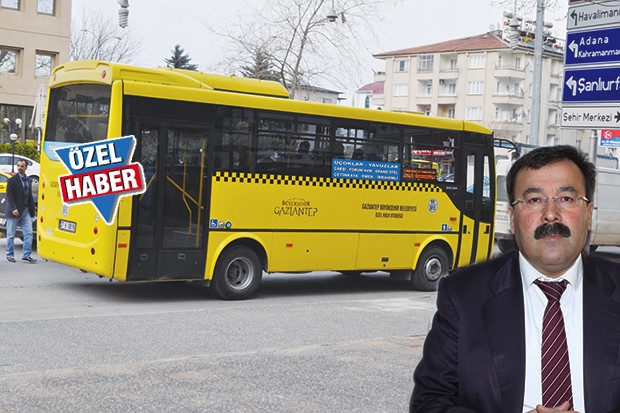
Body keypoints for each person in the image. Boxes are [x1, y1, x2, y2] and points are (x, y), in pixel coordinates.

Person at [409, 145, 620, 413]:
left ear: (589, 214)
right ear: (512, 218)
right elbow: (429, 402)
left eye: (566, 198)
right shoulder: (463, 295)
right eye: (534, 200)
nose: (551, 214)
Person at [5, 159, 37, 263]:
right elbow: (9, 196)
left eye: (22, 166)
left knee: (28, 234)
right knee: (11, 235)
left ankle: (26, 255)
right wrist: (13, 208)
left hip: (25, 211)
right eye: (18, 166)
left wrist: (33, 211)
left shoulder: (28, 180)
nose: (20, 168)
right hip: (14, 211)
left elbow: (30, 196)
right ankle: (10, 255)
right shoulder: (12, 180)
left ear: (26, 167)